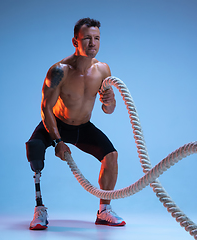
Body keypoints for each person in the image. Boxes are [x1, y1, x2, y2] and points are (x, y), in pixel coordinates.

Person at [25, 17, 126, 230]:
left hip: (82, 127)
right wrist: (58, 141)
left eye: (97, 38)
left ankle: (104, 210)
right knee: (34, 148)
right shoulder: (59, 70)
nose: (92, 43)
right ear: (75, 41)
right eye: (87, 38)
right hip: (56, 123)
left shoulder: (103, 70)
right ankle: (39, 209)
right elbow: (45, 108)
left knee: (112, 156)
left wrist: (110, 102)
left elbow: (108, 110)